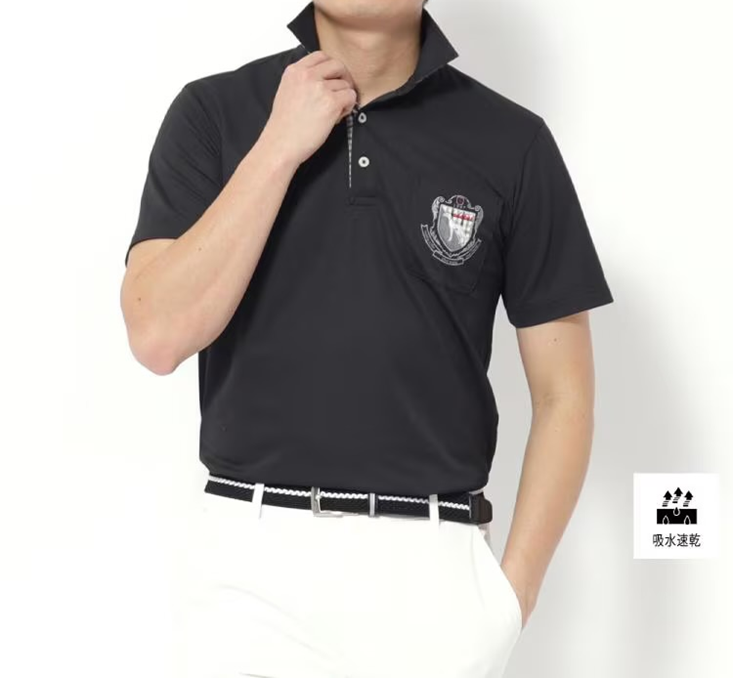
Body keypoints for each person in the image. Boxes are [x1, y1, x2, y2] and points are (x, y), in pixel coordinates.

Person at [120, 1, 614, 676]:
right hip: (249, 568)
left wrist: (510, 597)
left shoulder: (511, 141)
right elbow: (156, 335)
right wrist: (278, 146)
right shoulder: (215, 113)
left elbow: (564, 396)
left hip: (433, 575)